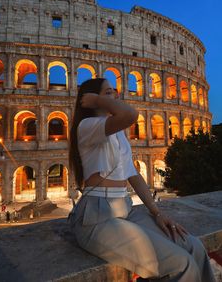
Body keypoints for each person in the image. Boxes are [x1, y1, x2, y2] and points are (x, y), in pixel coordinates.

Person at [68, 78, 215, 282]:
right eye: (109, 92)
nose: (116, 96)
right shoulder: (87, 126)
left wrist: (157, 213)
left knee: (195, 247)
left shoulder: (117, 133)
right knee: (181, 264)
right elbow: (130, 114)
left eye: (115, 91)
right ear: (93, 99)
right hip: (97, 217)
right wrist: (97, 101)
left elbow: (133, 175)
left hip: (125, 210)